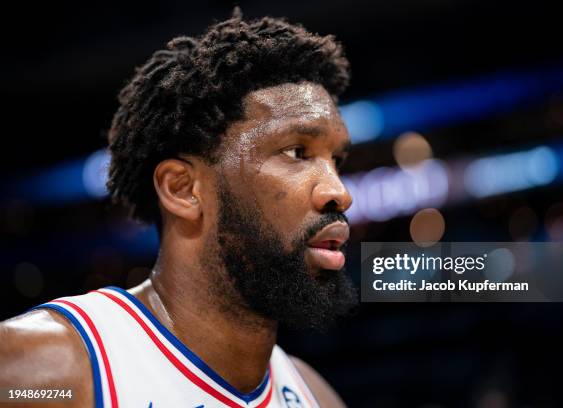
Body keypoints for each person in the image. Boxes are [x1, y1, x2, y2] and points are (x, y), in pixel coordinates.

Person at [0, 8, 358, 408]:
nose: (339, 192)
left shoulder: (317, 396)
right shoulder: (41, 369)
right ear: (183, 189)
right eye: (297, 152)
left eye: (336, 161)